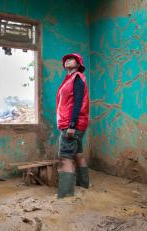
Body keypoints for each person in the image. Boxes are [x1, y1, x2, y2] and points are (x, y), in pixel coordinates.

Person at [56, 53, 90, 198]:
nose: (67, 61)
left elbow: (77, 103)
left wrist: (71, 125)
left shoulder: (77, 79)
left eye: (71, 59)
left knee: (65, 157)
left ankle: (65, 194)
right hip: (74, 123)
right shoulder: (69, 80)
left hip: (71, 124)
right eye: (65, 60)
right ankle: (84, 185)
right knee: (78, 154)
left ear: (78, 63)